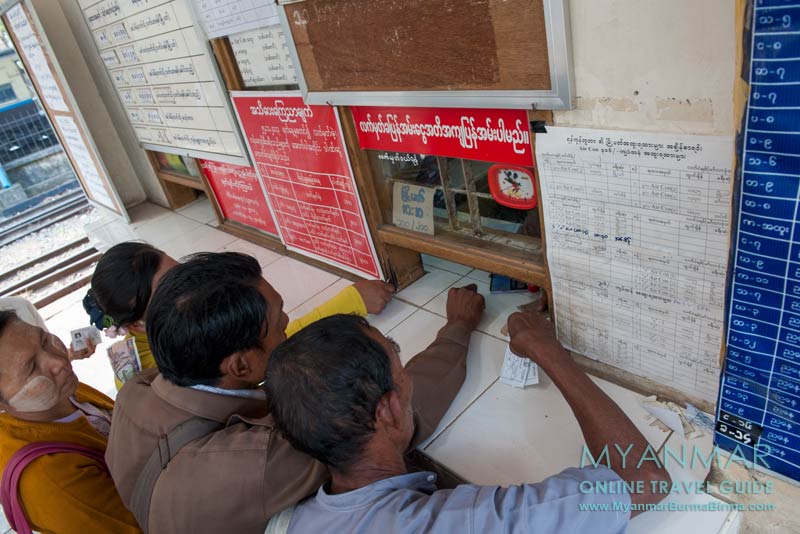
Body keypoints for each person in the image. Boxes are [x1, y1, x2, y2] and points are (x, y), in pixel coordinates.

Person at [106, 252, 485, 533]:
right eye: (279, 326)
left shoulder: (136, 391)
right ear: (240, 366)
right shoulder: (259, 461)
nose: (289, 324)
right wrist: (457, 328)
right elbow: (384, 418)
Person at [265, 311, 672, 533]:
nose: (409, 377)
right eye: (399, 361)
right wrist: (548, 351)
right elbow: (645, 481)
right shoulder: (465, 522)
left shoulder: (295, 520)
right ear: (387, 410)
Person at [85, 241, 394, 389]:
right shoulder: (152, 375)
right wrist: (350, 300)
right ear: (136, 325)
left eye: (182, 272)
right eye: (171, 288)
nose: (194, 285)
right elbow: (271, 345)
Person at [0, 309, 140, 534]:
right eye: (31, 367)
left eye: (45, 341)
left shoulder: (57, 394)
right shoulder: (48, 477)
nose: (58, 362)